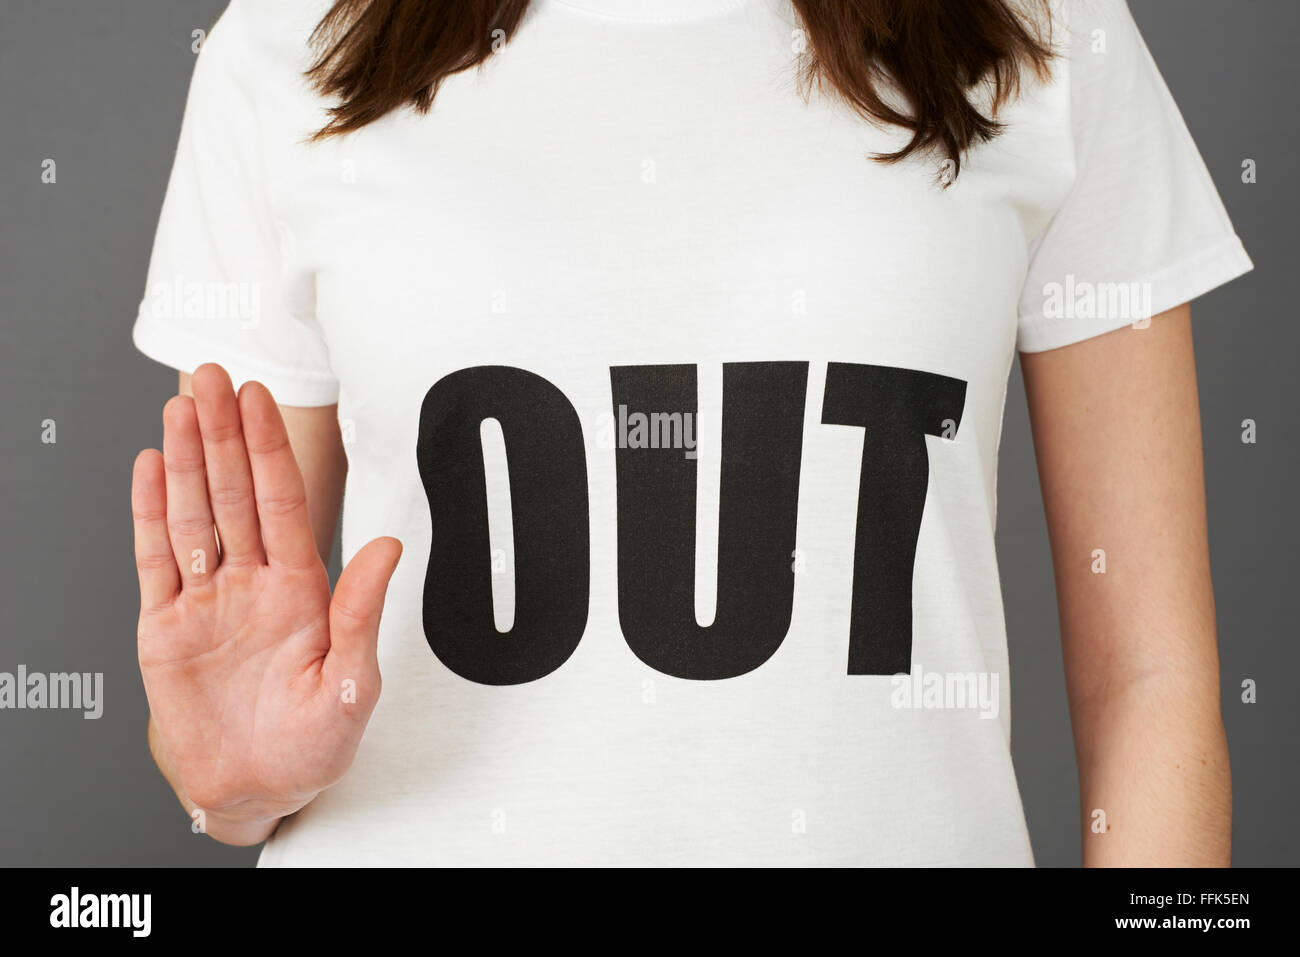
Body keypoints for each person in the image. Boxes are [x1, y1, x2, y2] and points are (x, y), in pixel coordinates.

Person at [129, 0, 1251, 866]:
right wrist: (226, 779)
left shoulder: (1042, 30)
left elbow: (1149, 679)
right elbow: (236, 731)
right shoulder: (293, 45)